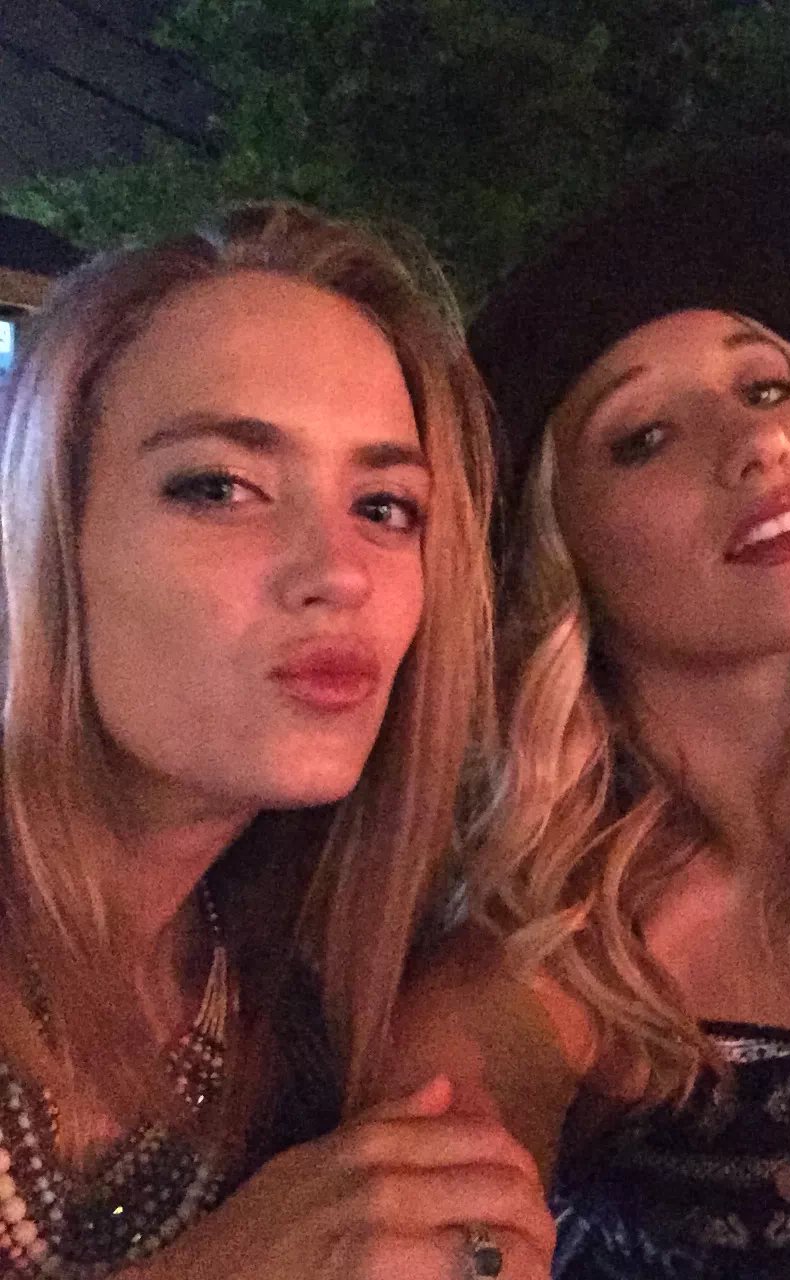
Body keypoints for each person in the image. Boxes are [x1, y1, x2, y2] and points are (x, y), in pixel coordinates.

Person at [380, 141, 790, 1280]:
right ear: (559, 560)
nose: (758, 443)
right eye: (644, 437)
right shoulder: (526, 987)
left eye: (767, 386)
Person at [0, 202, 554, 1279]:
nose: (338, 571)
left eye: (385, 506)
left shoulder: (296, 1000)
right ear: (46, 535)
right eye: (219, 487)